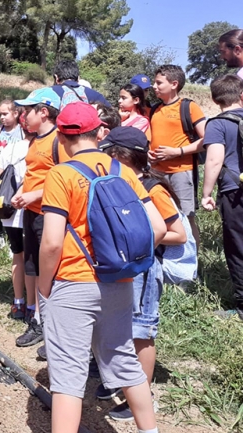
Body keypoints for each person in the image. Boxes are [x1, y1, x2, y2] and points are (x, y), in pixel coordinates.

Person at [38, 102, 166, 433]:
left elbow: (52, 241)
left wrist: (43, 286)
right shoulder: (121, 170)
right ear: (100, 132)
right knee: (124, 360)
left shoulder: (61, 173)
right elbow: (159, 227)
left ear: (62, 136)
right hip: (119, 280)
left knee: (68, 373)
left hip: (72, 280)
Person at [99, 126, 187, 420]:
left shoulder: (152, 187)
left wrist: (139, 238)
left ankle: (141, 395)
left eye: (110, 153)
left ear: (121, 156)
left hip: (145, 268)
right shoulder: (118, 183)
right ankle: (120, 383)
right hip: (123, 266)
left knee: (141, 330)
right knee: (119, 326)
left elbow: (179, 234)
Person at [11, 87, 68, 348]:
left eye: (26, 111)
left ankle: (52, 324)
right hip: (31, 213)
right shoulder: (34, 140)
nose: (22, 116)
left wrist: (34, 196)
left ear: (43, 112)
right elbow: (33, 173)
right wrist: (23, 193)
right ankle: (37, 317)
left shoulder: (61, 141)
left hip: (50, 215)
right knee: (32, 265)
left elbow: (67, 180)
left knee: (51, 270)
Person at [148, 65, 205, 246]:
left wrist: (177, 152)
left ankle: (193, 260)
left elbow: (207, 140)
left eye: (159, 83)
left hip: (182, 172)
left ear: (174, 84)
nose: (154, 86)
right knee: (160, 215)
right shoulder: (154, 109)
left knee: (187, 216)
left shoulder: (189, 107)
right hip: (157, 173)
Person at [201, 74, 243, 321]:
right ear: (241, 95)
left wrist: (207, 193)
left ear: (215, 99)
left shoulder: (217, 124)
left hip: (234, 191)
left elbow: (214, 159)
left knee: (237, 246)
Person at [0, 111, 33, 319]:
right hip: (31, 208)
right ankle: (34, 305)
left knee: (17, 255)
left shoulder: (11, 148)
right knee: (33, 259)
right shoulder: (43, 149)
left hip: (9, 211)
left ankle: (18, 302)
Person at [0, 99, 25, 255]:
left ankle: (15, 239)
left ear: (15, 113)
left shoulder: (22, 132)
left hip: (17, 176)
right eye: (0, 114)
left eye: (5, 114)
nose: (2, 117)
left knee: (15, 205)